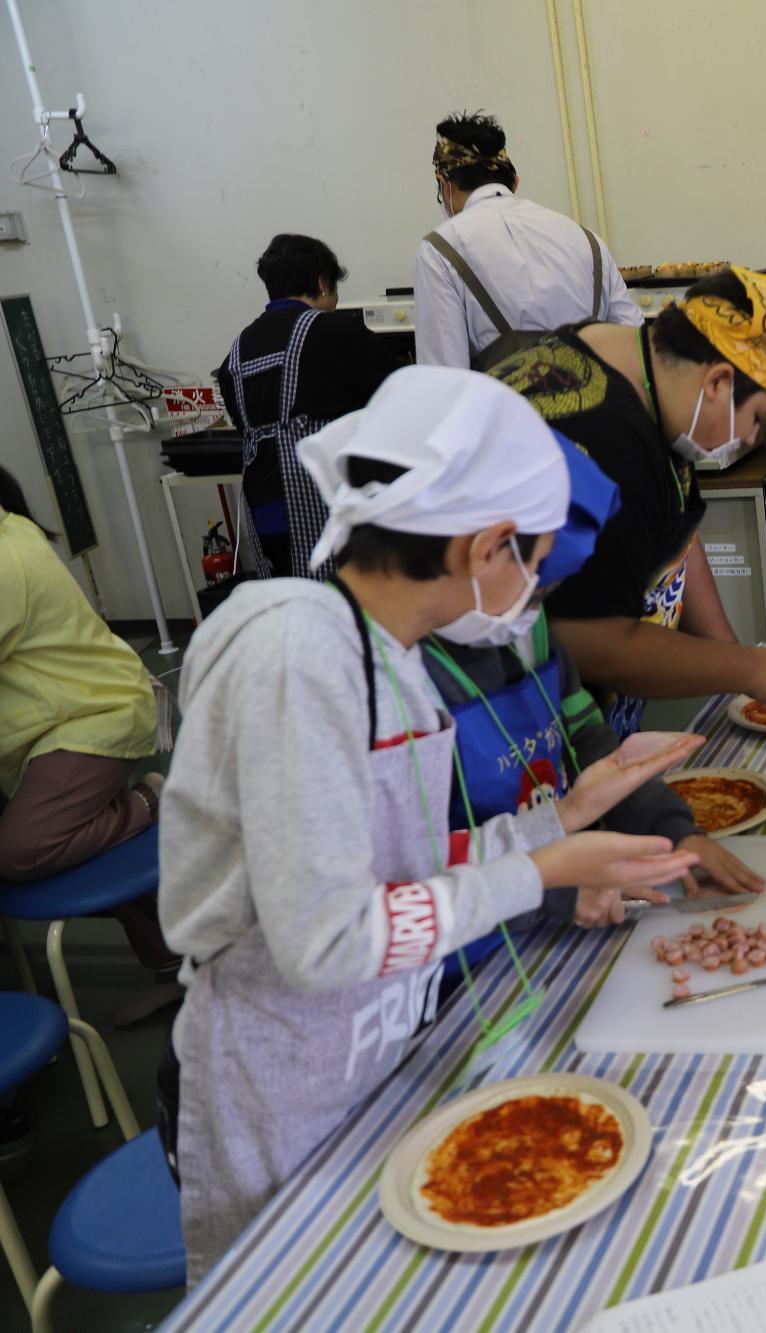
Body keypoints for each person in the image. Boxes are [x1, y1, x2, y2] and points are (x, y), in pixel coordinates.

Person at [158, 367, 703, 1281]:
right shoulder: (298, 652)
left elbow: (403, 869)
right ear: (490, 545)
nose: (532, 592)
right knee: (300, 1287)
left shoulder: (390, 661)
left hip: (374, 1046)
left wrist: (564, 816)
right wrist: (543, 870)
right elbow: (327, 938)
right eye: (532, 563)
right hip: (281, 1075)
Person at [421, 433, 765, 987]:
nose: (535, 606)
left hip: (553, 924)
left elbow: (590, 745)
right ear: (481, 548)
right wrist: (551, 887)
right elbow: (413, 873)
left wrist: (673, 833)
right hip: (460, 966)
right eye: (532, 580)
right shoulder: (404, 678)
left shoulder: (523, 630)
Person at [485, 266, 766, 732]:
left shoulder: (642, 373)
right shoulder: (602, 440)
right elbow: (590, 639)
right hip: (520, 722)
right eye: (758, 418)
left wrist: (734, 659)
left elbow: (677, 533)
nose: (749, 438)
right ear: (719, 382)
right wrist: (747, 668)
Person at [0, 466, 178, 998]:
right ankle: (173, 957)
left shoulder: (6, 559)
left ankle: (148, 798)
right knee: (79, 841)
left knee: (20, 852)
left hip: (89, 719)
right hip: (46, 724)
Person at [215, 234, 397, 577]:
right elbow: (400, 388)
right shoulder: (336, 332)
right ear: (322, 282)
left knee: (290, 591)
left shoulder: (235, 354)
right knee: (342, 591)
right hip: (322, 491)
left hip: (264, 500)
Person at [415, 110, 640, 370]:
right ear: (515, 183)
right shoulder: (587, 239)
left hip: (508, 410)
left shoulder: (440, 251)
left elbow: (445, 377)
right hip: (602, 407)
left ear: (445, 185)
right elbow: (633, 345)